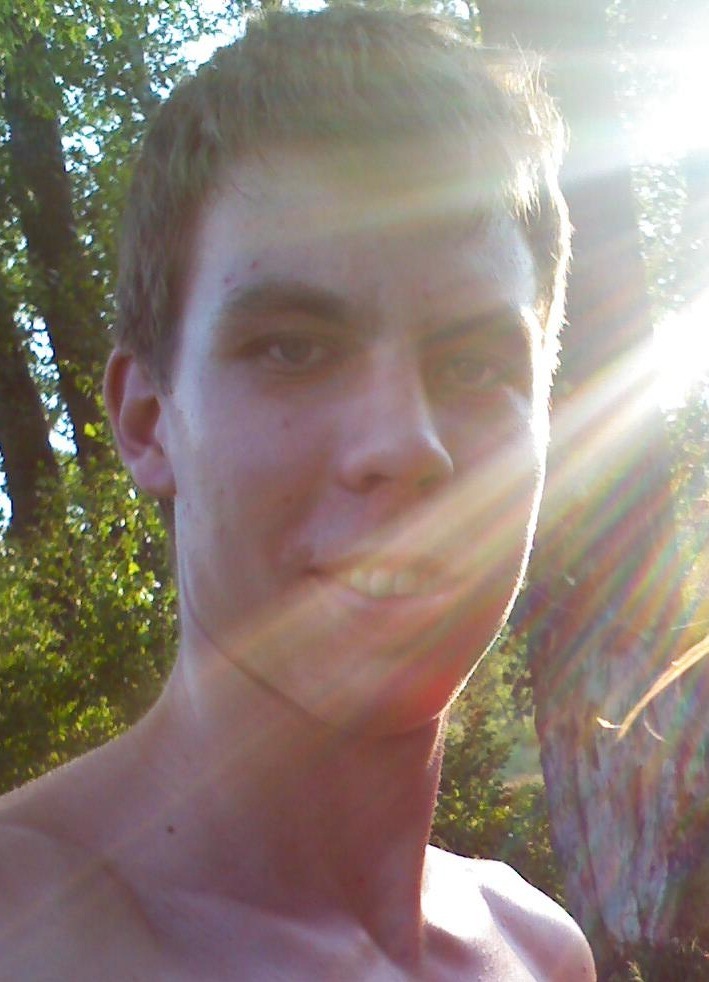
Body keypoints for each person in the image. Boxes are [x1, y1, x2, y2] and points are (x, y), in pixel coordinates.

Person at [0, 7, 595, 979]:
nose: (404, 443)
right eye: (293, 349)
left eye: (475, 366)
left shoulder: (538, 949)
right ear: (147, 421)